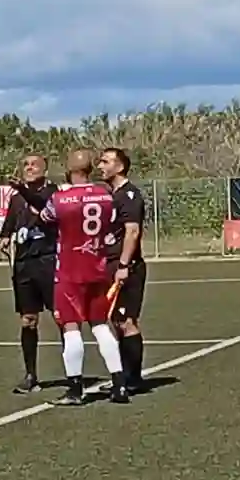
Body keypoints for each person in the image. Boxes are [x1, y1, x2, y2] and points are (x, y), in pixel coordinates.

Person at [35, 149, 129, 406]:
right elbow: (112, 222)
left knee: (71, 327)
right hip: (98, 268)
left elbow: (44, 218)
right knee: (100, 325)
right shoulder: (106, 195)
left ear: (69, 169)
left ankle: (75, 389)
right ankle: (119, 384)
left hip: (69, 270)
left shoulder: (60, 198)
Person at [2, 154, 58, 394]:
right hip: (24, 264)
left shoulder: (54, 193)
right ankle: (30, 375)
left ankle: (73, 374)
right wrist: (5, 237)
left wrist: (22, 190)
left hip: (49, 260)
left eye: (34, 164)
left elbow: (42, 205)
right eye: (25, 164)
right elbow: (9, 224)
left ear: (45, 169)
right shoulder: (16, 199)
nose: (29, 168)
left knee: (61, 316)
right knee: (28, 319)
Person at [98, 147, 149, 393]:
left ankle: (134, 378)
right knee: (117, 321)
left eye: (105, 161)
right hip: (112, 264)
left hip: (127, 267)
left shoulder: (129, 195)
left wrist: (123, 265)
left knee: (127, 321)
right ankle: (124, 375)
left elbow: (132, 231)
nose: (100, 166)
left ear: (119, 167)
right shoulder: (113, 196)